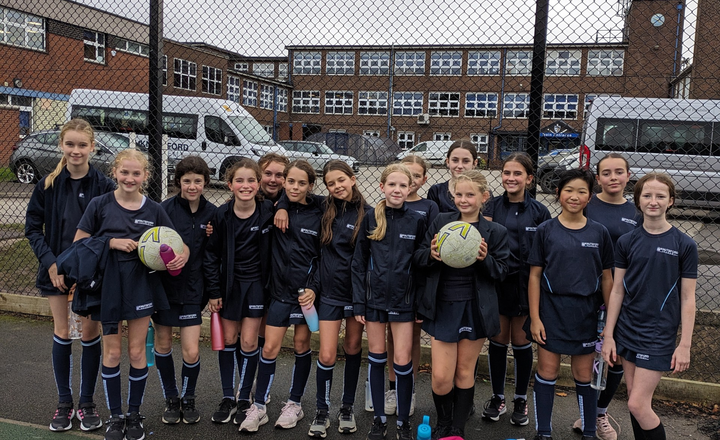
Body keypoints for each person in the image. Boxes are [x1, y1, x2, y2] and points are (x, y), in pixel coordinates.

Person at [74, 149, 188, 440]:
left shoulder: (154, 209)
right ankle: (115, 416)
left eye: (136, 173)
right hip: (107, 286)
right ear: (115, 173)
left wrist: (180, 257)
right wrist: (110, 242)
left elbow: (179, 244)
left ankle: (134, 414)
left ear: (145, 176)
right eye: (124, 172)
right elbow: (79, 242)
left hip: (141, 284)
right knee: (112, 351)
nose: (130, 178)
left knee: (137, 351)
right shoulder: (100, 205)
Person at [25, 119, 115, 432]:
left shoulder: (104, 186)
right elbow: (33, 228)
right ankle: (64, 403)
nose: (76, 150)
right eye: (70, 144)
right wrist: (51, 264)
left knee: (89, 334)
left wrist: (86, 272)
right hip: (56, 273)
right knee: (63, 333)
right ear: (62, 146)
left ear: (92, 147)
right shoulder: (47, 185)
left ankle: (87, 402)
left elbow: (111, 229)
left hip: (91, 277)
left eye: (82, 145)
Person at [275, 160, 369, 438]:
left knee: (352, 347)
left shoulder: (370, 214)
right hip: (329, 293)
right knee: (327, 354)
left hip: (355, 294)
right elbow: (293, 192)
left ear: (352, 179)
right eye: (331, 183)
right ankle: (321, 409)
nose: (337, 186)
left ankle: (347, 408)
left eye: (342, 180)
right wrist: (281, 204)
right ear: (325, 187)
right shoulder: (322, 207)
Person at [415, 170, 510, 440]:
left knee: (464, 371)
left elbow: (502, 272)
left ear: (484, 197)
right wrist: (431, 255)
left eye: (471, 194)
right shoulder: (441, 221)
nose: (464, 199)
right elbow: (419, 258)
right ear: (452, 195)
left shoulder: (495, 231)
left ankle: (456, 430)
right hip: (444, 305)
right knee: (442, 377)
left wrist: (485, 258)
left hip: (475, 308)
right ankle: (443, 421)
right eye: (459, 194)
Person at [602, 173, 697, 440]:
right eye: (647, 195)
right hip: (627, 329)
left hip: (657, 335)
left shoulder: (684, 245)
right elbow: (618, 289)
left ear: (671, 201)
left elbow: (688, 298)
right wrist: (609, 335)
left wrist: (685, 344)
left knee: (637, 404)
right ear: (638, 200)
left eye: (660, 196)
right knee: (635, 401)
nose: (653, 201)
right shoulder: (626, 242)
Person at [526, 168, 614, 440]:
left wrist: (610, 322)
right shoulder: (545, 230)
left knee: (584, 374)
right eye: (569, 190)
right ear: (558, 193)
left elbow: (608, 279)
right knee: (547, 371)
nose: (574, 196)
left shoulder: (600, 233)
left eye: (581, 192)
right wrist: (536, 318)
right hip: (551, 312)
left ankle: (589, 432)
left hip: (586, 314)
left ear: (590, 197)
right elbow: (534, 276)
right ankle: (543, 433)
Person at [243, 160, 322, 432]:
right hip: (278, 294)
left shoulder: (321, 210)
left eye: (302, 183)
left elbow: (323, 255)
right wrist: (285, 206)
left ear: (311, 185)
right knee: (269, 348)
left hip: (306, 296)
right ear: (285, 182)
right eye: (291, 181)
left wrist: (314, 287)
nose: (295, 187)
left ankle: (294, 404)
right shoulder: (271, 206)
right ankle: (260, 407)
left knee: (301, 344)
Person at [352, 164, 425, 440]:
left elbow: (420, 268)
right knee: (377, 358)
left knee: (402, 361)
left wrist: (419, 304)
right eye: (391, 185)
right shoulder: (371, 218)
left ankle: (403, 421)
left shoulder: (417, 220)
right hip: (373, 303)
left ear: (410, 189)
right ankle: (380, 420)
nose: (397, 190)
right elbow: (358, 263)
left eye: (402, 185)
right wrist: (360, 302)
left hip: (403, 303)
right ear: (382, 187)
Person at [572, 153, 641, 439]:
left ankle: (600, 413)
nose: (613, 177)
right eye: (606, 173)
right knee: (588, 357)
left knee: (614, 357)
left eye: (619, 172)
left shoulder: (637, 212)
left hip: (623, 295)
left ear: (628, 176)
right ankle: (586, 415)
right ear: (597, 178)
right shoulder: (588, 204)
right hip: (588, 293)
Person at [481, 152, 551, 426]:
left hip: (525, 285)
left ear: (529, 178)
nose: (511, 178)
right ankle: (497, 397)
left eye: (518, 174)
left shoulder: (539, 212)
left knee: (521, 342)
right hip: (497, 283)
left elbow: (543, 253)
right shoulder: (491, 207)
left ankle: (520, 399)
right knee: (498, 340)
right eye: (507, 173)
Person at [204, 158, 274, 429]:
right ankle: (226, 397)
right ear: (230, 184)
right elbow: (210, 256)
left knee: (248, 342)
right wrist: (213, 292)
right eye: (240, 181)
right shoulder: (221, 215)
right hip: (228, 287)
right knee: (229, 339)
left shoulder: (268, 210)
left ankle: (244, 398)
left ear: (258, 184)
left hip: (256, 286)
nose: (245, 186)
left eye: (251, 180)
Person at [153, 156, 216, 425]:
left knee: (191, 351)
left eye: (198, 181)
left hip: (193, 291)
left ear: (205, 183)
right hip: (165, 290)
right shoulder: (163, 209)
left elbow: (215, 254)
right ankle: (171, 397)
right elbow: (152, 246)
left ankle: (189, 398)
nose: (192, 186)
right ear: (178, 181)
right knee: (164, 343)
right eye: (187, 181)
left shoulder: (213, 213)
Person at [383, 155, 439, 417]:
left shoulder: (428, 208)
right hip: (390, 286)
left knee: (412, 337)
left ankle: (410, 387)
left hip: (415, 284)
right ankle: (392, 387)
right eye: (408, 175)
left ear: (422, 179)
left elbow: (426, 250)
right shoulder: (384, 209)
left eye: (416, 176)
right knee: (391, 337)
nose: (412, 181)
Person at [427, 138, 480, 213]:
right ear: (448, 161)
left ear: (474, 163)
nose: (460, 166)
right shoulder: (436, 191)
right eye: (455, 160)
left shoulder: (482, 192)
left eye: (466, 161)